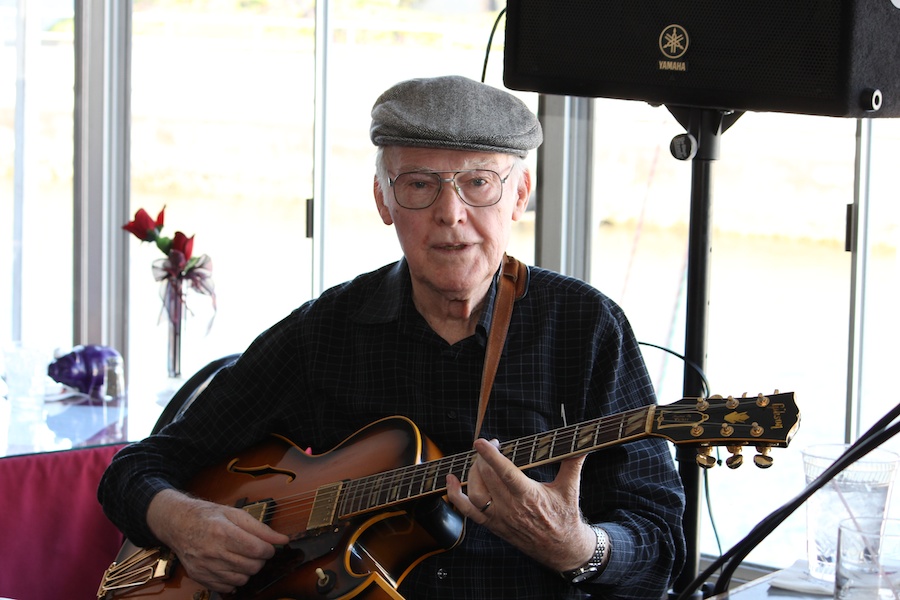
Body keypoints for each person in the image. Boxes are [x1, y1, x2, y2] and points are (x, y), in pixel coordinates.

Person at [99, 75, 686, 600]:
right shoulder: (325, 331)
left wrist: (579, 549)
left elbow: (661, 547)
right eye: (419, 185)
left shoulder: (585, 328)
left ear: (519, 195)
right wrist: (181, 521)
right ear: (383, 199)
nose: (450, 213)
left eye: (479, 182)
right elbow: (137, 468)